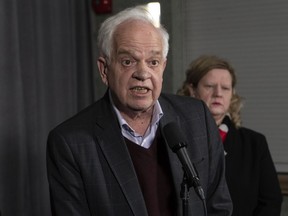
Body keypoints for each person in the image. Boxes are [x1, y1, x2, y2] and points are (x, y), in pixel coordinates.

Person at [46, 6, 233, 216]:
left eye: (153, 62)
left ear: (163, 67)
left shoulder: (197, 116)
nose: (143, 73)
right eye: (128, 62)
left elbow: (219, 206)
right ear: (104, 70)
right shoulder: (70, 142)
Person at [178, 55, 283, 216]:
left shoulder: (255, 143)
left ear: (232, 93)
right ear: (192, 90)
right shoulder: (175, 139)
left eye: (225, 88)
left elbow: (271, 202)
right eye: (209, 86)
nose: (218, 93)